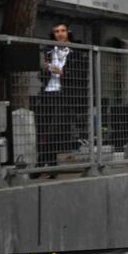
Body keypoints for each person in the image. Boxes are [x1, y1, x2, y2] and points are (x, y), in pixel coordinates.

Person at [37, 23, 88, 171]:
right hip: (48, 92)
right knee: (43, 128)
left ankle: (42, 162)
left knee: (56, 129)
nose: (59, 34)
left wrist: (62, 73)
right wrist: (45, 70)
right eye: (56, 31)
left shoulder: (76, 53)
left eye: (62, 31)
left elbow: (81, 75)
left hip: (64, 94)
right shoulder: (48, 52)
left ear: (68, 33)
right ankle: (50, 163)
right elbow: (41, 76)